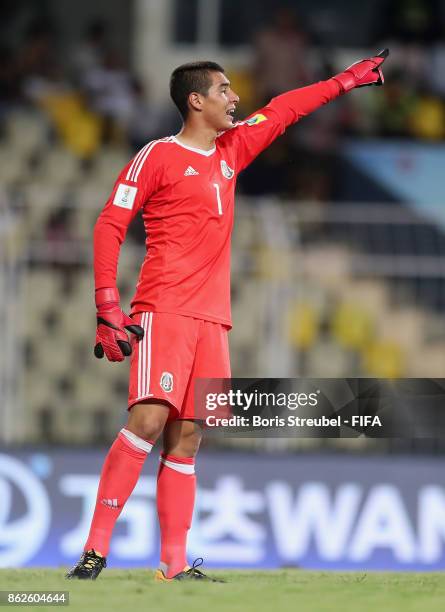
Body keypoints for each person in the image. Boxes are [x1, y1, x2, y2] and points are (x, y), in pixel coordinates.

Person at [66, 51, 388, 582]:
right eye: (224, 90)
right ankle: (95, 550)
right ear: (197, 101)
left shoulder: (231, 151)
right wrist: (107, 305)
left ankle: (172, 565)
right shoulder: (158, 156)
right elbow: (109, 223)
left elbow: (284, 109)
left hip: (213, 319)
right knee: (147, 422)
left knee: (188, 435)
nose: (235, 98)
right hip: (163, 309)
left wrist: (346, 81)